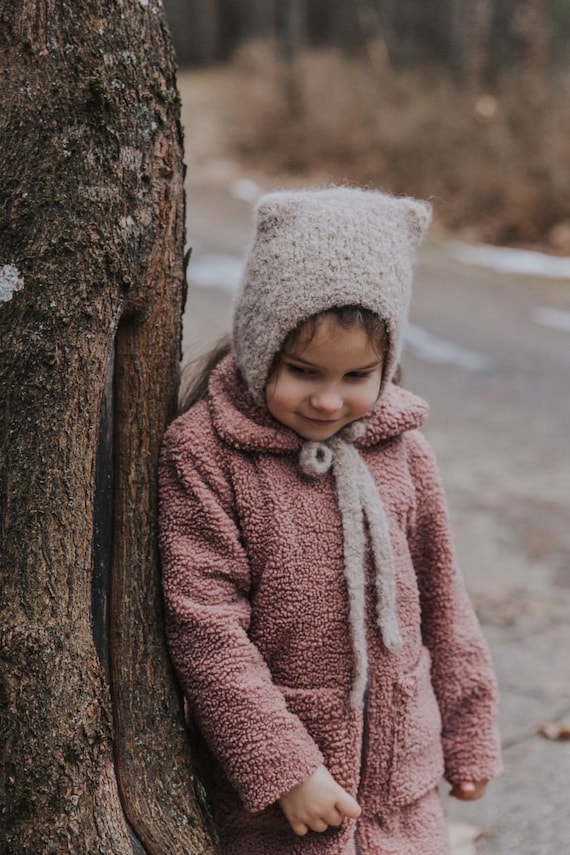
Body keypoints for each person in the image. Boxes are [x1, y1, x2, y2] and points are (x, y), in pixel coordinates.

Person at [158, 187, 502, 855]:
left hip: (404, 785)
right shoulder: (205, 452)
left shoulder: (403, 450)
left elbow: (444, 598)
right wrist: (284, 765)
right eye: (303, 371)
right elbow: (204, 623)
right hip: (279, 799)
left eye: (356, 375)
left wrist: (470, 728)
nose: (327, 398)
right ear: (261, 346)